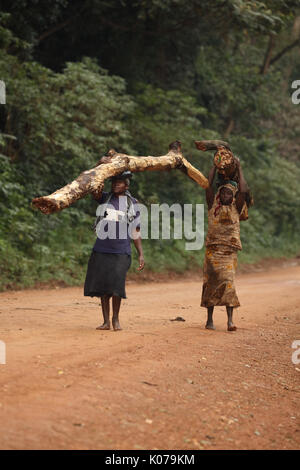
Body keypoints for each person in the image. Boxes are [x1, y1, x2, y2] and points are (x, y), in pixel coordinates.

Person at [84, 170, 144, 331]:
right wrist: (100, 167)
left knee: (117, 286)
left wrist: (140, 253)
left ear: (126, 185)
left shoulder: (133, 204)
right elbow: (93, 186)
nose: (116, 184)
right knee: (104, 286)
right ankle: (106, 322)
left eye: (119, 182)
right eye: (114, 182)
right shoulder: (105, 198)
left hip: (121, 250)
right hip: (102, 249)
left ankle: (115, 319)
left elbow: (135, 230)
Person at [201, 157, 248, 331]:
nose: (226, 195)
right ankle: (209, 320)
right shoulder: (212, 204)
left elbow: (243, 189)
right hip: (212, 251)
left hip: (229, 253)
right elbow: (207, 185)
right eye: (224, 193)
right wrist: (214, 167)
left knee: (228, 282)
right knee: (210, 283)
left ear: (233, 196)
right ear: (219, 194)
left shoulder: (238, 206)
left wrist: (240, 168)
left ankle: (230, 321)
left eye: (229, 193)